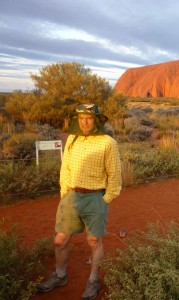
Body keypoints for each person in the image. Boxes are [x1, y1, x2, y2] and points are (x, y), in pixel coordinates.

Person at [37, 104, 122, 300]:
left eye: (89, 118)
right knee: (60, 241)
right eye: (81, 117)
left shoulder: (107, 142)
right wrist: (64, 193)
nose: (84, 122)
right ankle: (60, 276)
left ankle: (93, 280)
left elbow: (115, 177)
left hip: (95, 197)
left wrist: (105, 200)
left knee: (94, 241)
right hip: (71, 197)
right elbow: (65, 168)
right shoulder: (72, 139)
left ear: (97, 120)